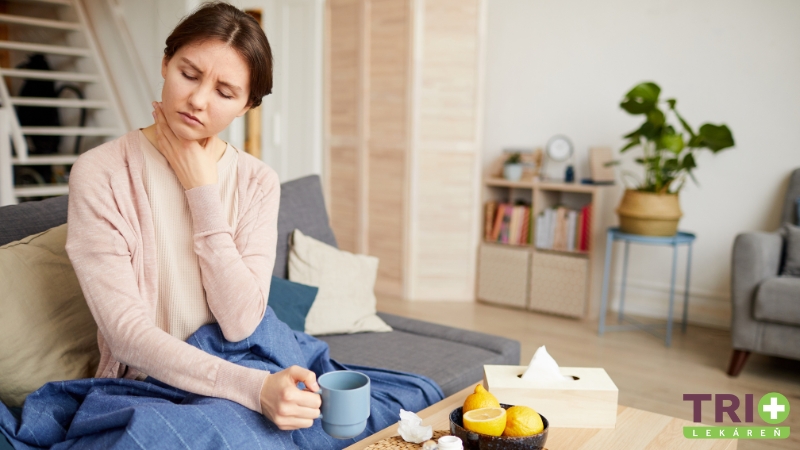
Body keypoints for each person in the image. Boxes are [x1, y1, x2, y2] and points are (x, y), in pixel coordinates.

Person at [66, 2, 321, 431]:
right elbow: (126, 334)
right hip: (150, 385)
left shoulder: (258, 181)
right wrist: (255, 388)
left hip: (241, 360)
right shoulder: (101, 173)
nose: (198, 101)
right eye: (188, 74)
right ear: (166, 63)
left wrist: (201, 193)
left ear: (246, 106)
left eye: (224, 93)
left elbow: (241, 323)